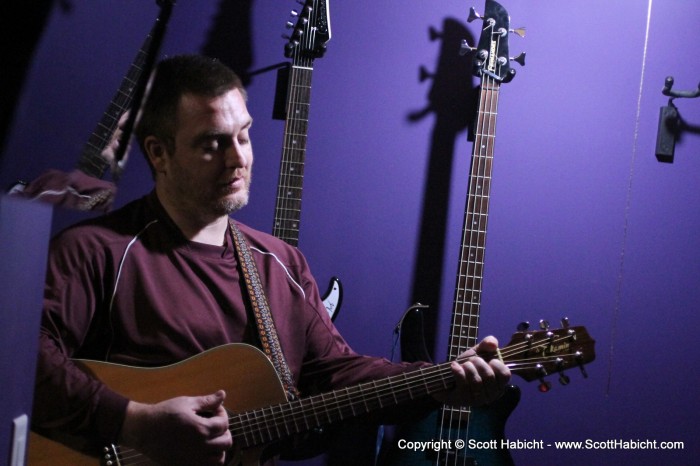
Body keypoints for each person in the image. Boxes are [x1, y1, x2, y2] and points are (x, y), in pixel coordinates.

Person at [32, 54, 511, 466]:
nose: (237, 158)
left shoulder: (280, 263)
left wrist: (439, 382)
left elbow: (335, 374)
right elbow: (21, 359)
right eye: (211, 143)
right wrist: (133, 422)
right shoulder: (96, 251)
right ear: (159, 152)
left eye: (244, 135)